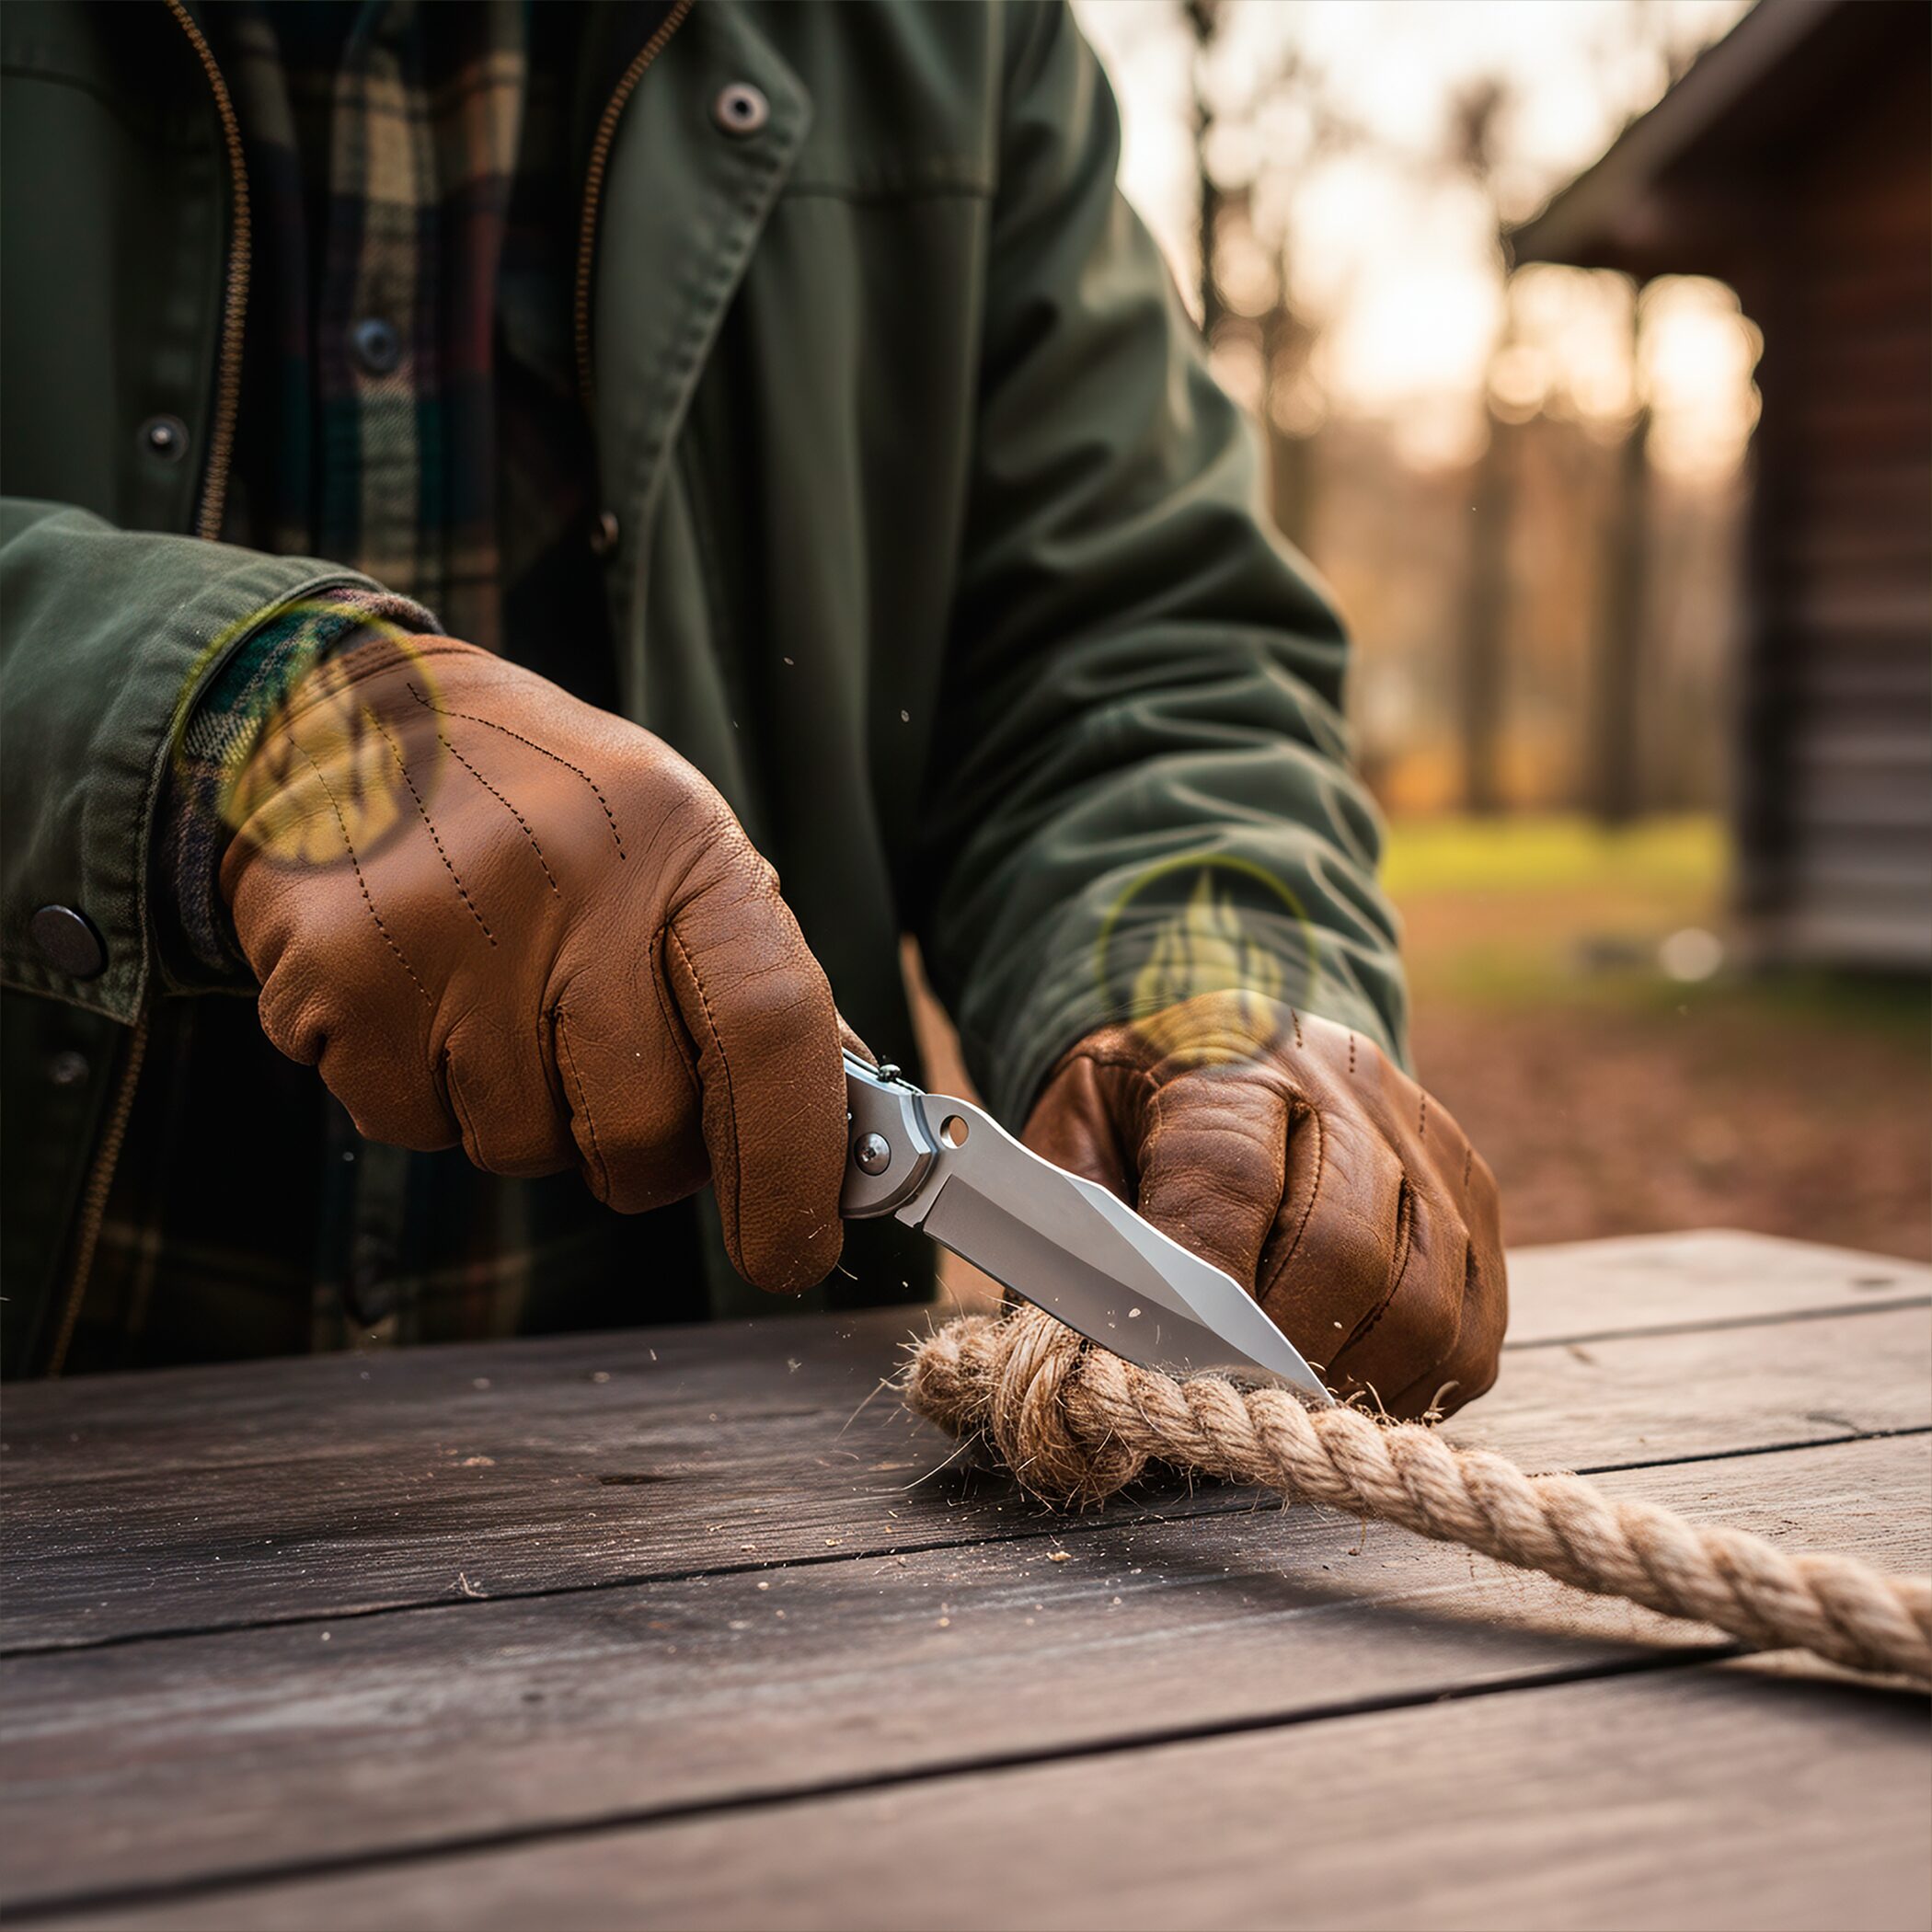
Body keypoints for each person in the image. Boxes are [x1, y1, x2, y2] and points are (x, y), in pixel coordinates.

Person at [0, 0, 1504, 1412]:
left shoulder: (952, 39)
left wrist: (1210, 981)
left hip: (723, 1520)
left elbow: (1128, 648)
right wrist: (247, 729)